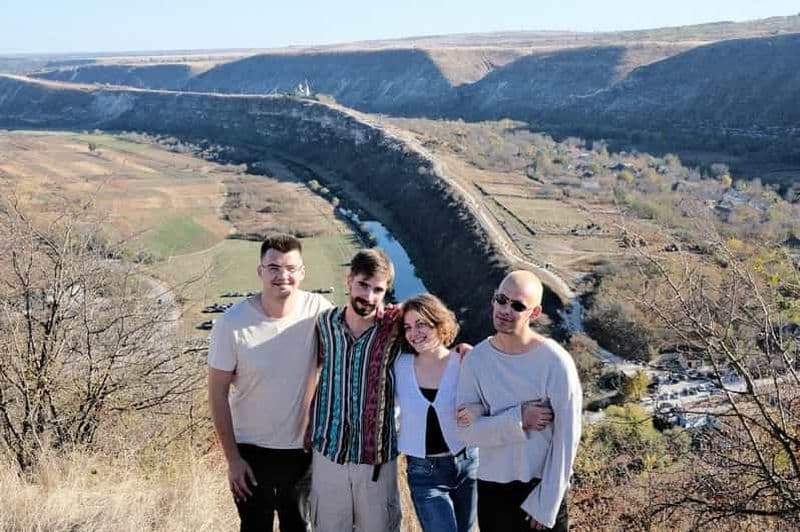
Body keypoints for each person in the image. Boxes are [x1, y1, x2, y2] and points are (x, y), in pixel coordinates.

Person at [207, 234, 331, 532]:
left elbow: (354, 343)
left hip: (303, 452)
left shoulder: (321, 312)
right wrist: (233, 460)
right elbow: (217, 393)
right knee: (254, 527)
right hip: (250, 451)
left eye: (290, 268)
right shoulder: (231, 324)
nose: (282, 276)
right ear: (260, 271)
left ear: (302, 272)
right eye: (273, 267)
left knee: (300, 527)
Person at [457, 270, 581, 532]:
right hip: (493, 493)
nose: (505, 309)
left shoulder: (555, 363)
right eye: (501, 300)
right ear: (493, 299)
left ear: (534, 313)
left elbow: (566, 439)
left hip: (539, 491)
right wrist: (519, 419)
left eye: (517, 305)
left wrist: (547, 503)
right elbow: (467, 432)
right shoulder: (476, 360)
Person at [306, 248, 404, 532]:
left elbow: (435, 338)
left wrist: (460, 350)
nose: (369, 297)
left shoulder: (394, 328)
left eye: (378, 290)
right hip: (329, 452)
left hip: (376, 458)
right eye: (363, 285)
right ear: (349, 280)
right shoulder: (325, 323)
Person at [394, 293, 479, 532]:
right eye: (408, 326)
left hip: (467, 463)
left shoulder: (464, 361)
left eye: (422, 324)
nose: (414, 332)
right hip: (424, 472)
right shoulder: (399, 367)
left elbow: (487, 403)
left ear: (439, 323)